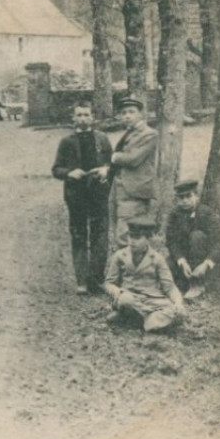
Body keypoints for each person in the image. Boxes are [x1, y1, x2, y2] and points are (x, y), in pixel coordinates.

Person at [52, 103, 112, 294]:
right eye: (79, 115)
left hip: (98, 194)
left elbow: (112, 164)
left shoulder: (102, 139)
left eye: (86, 114)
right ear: (74, 118)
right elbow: (56, 169)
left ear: (92, 117)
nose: (83, 118)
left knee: (100, 236)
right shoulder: (66, 142)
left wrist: (106, 170)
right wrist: (70, 172)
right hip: (76, 195)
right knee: (79, 236)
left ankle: (97, 279)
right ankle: (82, 282)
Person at [104, 218, 185, 334]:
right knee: (125, 301)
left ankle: (134, 319)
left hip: (152, 300)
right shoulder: (120, 255)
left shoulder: (157, 258)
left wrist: (178, 302)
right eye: (130, 237)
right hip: (130, 297)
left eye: (137, 238)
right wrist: (117, 292)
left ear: (148, 239)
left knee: (177, 312)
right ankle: (149, 320)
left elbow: (169, 286)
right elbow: (109, 283)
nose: (132, 241)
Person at [109, 96, 158, 247]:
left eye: (131, 112)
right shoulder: (129, 133)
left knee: (128, 235)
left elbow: (134, 159)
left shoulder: (149, 134)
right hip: (119, 189)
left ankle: (132, 268)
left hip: (134, 191)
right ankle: (124, 266)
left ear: (141, 114)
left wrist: (115, 157)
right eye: (123, 113)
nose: (127, 116)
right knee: (120, 232)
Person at [165, 179, 219, 301]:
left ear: (196, 195)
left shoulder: (207, 213)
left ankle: (198, 283)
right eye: (181, 197)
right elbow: (171, 241)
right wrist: (181, 261)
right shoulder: (174, 215)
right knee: (166, 266)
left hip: (204, 259)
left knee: (197, 236)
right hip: (185, 259)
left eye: (188, 196)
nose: (185, 200)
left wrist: (207, 263)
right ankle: (184, 283)